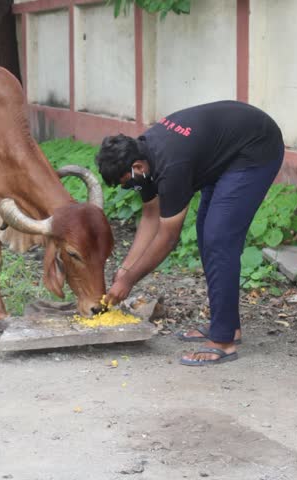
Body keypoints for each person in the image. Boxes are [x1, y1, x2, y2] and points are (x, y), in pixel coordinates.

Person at [95, 100, 284, 366]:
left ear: (137, 167)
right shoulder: (145, 158)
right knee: (208, 233)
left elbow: (168, 236)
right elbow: (151, 216)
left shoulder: (171, 166)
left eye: (127, 185)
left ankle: (223, 341)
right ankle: (228, 325)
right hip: (225, 151)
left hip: (255, 147)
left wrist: (129, 281)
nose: (130, 189)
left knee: (218, 238)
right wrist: (125, 270)